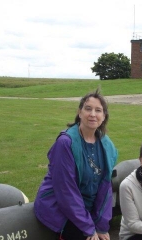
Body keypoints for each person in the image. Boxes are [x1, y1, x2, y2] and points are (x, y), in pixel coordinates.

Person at [34, 89, 118, 240]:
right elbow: (66, 191)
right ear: (80, 113)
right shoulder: (66, 143)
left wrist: (101, 225)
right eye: (88, 109)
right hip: (60, 207)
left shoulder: (107, 146)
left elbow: (105, 187)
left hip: (86, 208)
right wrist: (88, 228)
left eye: (98, 110)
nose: (93, 114)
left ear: (104, 116)